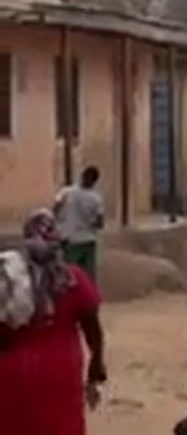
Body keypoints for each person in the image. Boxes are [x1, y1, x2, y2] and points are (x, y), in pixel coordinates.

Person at [0, 209, 107, 435]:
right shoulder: (74, 279)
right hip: (61, 373)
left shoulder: (9, 282)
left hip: (13, 376)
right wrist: (96, 368)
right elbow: (93, 330)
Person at [54, 166, 104, 281]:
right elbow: (100, 223)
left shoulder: (66, 192)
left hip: (70, 239)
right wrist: (90, 222)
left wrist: (59, 227)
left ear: (82, 176)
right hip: (88, 239)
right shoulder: (96, 198)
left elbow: (55, 210)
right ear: (95, 181)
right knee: (88, 276)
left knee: (70, 274)